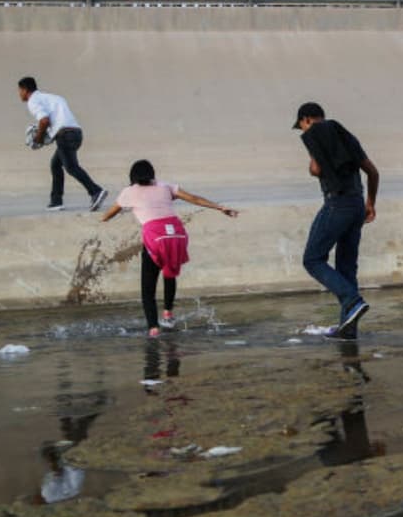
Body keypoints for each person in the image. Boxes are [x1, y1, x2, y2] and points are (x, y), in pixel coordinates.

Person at [100, 159, 238, 338]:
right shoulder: (165, 186)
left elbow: (110, 214)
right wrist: (220, 208)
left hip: (155, 237)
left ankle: (154, 329)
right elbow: (194, 198)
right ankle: (168, 314)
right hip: (178, 234)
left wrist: (103, 218)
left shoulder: (128, 192)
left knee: (147, 290)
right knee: (169, 272)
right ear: (152, 174)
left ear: (132, 177)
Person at [293, 102, 379, 341]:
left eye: (301, 126)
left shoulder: (314, 134)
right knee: (346, 266)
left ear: (307, 120)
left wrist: (312, 162)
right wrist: (370, 203)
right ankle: (347, 328)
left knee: (312, 259)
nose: (303, 131)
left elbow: (316, 169)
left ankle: (351, 301)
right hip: (356, 204)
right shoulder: (345, 136)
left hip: (336, 203)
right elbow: (373, 172)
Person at [18, 76, 108, 212]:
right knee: (55, 165)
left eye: (20, 90)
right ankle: (56, 201)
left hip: (65, 135)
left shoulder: (33, 101)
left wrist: (38, 139)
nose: (19, 94)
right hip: (76, 133)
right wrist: (47, 135)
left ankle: (96, 191)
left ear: (25, 90)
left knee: (71, 167)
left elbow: (44, 121)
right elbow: (57, 120)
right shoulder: (55, 98)